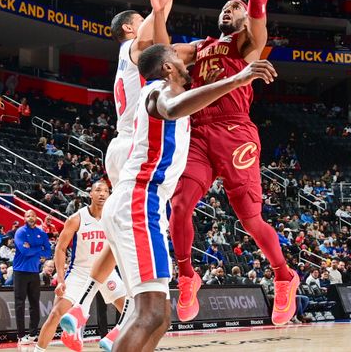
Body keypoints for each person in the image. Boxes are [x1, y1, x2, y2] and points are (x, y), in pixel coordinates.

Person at [58, 0, 189, 351]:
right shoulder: (137, 47)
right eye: (143, 19)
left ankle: (82, 309)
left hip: (124, 144)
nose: (150, 19)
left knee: (121, 229)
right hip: (139, 141)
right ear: (131, 28)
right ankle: (117, 321)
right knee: (146, 219)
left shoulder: (130, 57)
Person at [102, 43, 276, 352]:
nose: (186, 62)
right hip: (139, 201)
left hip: (143, 205)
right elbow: (171, 108)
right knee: (149, 312)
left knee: (161, 315)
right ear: (168, 68)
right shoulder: (157, 91)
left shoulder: (170, 94)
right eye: (179, 58)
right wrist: (237, 79)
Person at [168, 0, 297, 326]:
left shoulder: (248, 44)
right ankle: (187, 276)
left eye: (234, 7)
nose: (230, 9)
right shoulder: (198, 48)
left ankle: (284, 275)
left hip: (236, 129)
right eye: (225, 7)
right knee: (180, 204)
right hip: (198, 132)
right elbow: (156, 50)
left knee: (249, 218)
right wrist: (159, 5)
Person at [37, 182, 129, 352]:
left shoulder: (114, 219)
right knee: (56, 314)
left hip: (107, 272)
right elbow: (60, 248)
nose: (102, 194)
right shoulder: (76, 218)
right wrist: (61, 279)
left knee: (132, 313)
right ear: (90, 194)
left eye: (106, 191)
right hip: (80, 272)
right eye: (98, 190)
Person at [13, 209, 52, 344]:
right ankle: (20, 335)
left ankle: (33, 334)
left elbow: (48, 252)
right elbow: (24, 251)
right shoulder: (20, 232)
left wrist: (34, 249)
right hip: (20, 272)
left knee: (35, 304)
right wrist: (39, 249)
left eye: (33, 215)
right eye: (28, 216)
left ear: (37, 218)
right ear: (24, 218)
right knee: (20, 304)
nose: (30, 218)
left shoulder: (42, 233)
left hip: (34, 272)